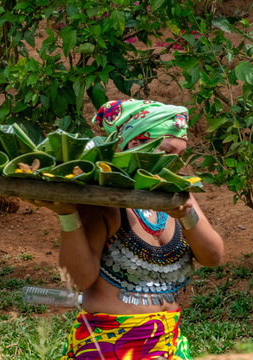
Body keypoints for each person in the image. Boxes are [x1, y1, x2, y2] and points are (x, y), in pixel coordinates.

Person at [30, 99, 224, 360]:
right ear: (134, 144)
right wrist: (67, 214)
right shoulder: (103, 201)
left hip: (169, 345)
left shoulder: (177, 193)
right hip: (110, 348)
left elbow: (213, 257)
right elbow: (78, 281)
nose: (174, 164)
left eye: (179, 155)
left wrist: (187, 215)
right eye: (167, 152)